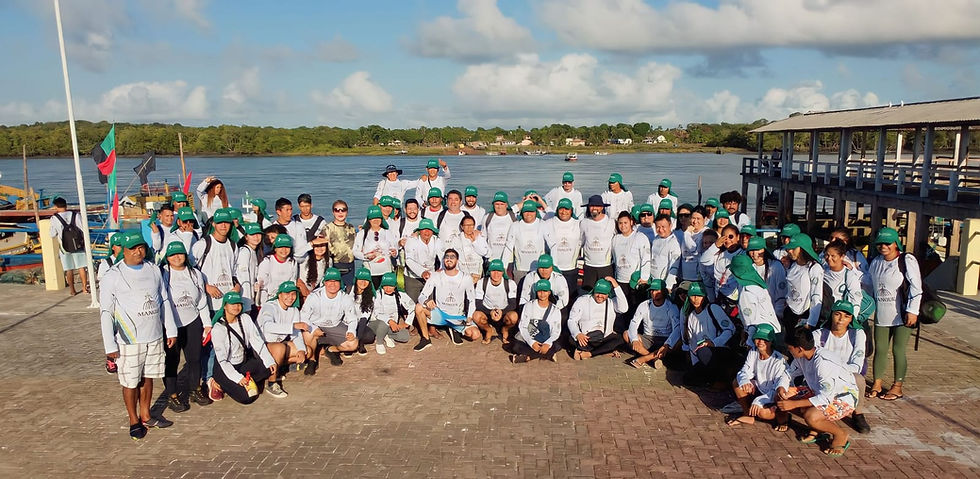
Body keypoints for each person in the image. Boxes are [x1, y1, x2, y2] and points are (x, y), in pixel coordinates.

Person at [98, 231, 177, 439]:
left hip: (154, 335)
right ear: (123, 250)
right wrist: (109, 345)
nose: (137, 252)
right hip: (129, 340)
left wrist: (170, 329)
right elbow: (106, 312)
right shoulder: (112, 276)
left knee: (148, 376)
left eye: (140, 247)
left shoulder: (153, 269)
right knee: (130, 381)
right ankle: (133, 420)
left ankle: (146, 414)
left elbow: (164, 299)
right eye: (132, 248)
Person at [777, 326, 859, 457]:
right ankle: (817, 428)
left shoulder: (823, 363)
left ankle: (840, 435)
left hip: (842, 397)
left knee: (811, 416)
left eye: (790, 348)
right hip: (818, 391)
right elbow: (788, 373)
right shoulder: (801, 356)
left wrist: (794, 404)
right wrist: (782, 387)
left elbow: (825, 398)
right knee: (781, 396)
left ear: (799, 349)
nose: (788, 350)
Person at [866, 227, 921, 402]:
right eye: (880, 243)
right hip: (882, 314)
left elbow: (916, 286)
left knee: (898, 349)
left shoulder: (906, 260)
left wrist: (913, 311)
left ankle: (897, 386)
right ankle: (877, 383)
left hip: (902, 314)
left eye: (887, 243)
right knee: (880, 349)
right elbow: (868, 284)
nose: (883, 246)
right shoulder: (876, 262)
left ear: (896, 243)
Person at [160, 242, 210, 411]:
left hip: (192, 321)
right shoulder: (163, 273)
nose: (177, 257)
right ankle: (172, 395)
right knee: (171, 361)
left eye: (180, 253)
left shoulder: (195, 273)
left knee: (194, 359)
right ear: (167, 258)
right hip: (171, 324)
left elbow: (202, 300)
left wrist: (207, 324)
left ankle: (195, 389)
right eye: (172, 255)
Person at [208, 292, 279, 404]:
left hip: (243, 362)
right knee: (248, 398)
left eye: (238, 304)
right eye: (232, 304)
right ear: (225, 306)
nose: (236, 307)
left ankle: (244, 382)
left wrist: (269, 361)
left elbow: (257, 341)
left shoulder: (245, 318)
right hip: (225, 367)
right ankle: (218, 382)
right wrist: (238, 378)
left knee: (269, 368)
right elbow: (223, 361)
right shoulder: (218, 329)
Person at [816, 300, 871, 433]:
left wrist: (837, 372)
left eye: (846, 316)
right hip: (824, 374)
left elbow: (857, 363)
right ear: (831, 315)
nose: (841, 320)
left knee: (859, 379)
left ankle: (858, 413)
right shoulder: (819, 334)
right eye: (837, 314)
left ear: (851, 319)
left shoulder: (857, 334)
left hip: (847, 373)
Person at [414, 249, 478, 350]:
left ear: (457, 261)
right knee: (418, 307)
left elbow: (472, 300)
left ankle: (453, 329)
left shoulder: (466, 278)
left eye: (452, 257)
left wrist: (469, 317)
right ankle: (425, 339)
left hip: (457, 317)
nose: (449, 259)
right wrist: (426, 301)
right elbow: (422, 296)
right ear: (443, 260)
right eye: (447, 257)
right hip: (440, 314)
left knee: (474, 335)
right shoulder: (435, 276)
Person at [729, 324, 790, 430]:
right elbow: (744, 371)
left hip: (773, 395)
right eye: (758, 338)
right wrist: (745, 381)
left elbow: (777, 388)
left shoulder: (778, 360)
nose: (761, 342)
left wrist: (758, 401)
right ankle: (748, 414)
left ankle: (783, 417)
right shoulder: (753, 351)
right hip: (759, 389)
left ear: (771, 341)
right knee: (737, 382)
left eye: (765, 339)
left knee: (763, 413)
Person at [301, 268, 361, 372]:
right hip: (316, 325)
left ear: (340, 282)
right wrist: (314, 328)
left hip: (334, 326)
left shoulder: (345, 298)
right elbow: (303, 316)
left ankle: (330, 349)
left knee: (353, 344)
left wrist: (351, 331)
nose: (332, 284)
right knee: (307, 332)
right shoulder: (314, 296)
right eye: (329, 281)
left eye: (336, 281)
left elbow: (352, 319)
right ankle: (312, 360)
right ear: (324, 282)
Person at [254, 281, 307, 396]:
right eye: (287, 294)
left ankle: (277, 368)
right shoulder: (269, 306)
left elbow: (296, 333)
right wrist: (292, 326)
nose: (290, 297)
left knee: (307, 351)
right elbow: (267, 326)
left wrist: (301, 350)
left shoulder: (294, 310)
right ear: (279, 295)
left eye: (293, 294)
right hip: (262, 346)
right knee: (280, 348)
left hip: (279, 343)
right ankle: (272, 382)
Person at [680, 282, 736, 388]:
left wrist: (713, 343)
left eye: (699, 296)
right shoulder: (691, 316)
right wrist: (695, 364)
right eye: (693, 295)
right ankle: (710, 378)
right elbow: (692, 342)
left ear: (704, 296)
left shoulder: (713, 308)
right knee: (688, 378)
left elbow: (730, 329)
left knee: (703, 352)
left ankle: (721, 380)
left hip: (720, 350)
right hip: (703, 354)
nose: (695, 299)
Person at [728, 254, 781, 348]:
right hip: (772, 330)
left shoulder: (746, 293)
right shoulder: (756, 283)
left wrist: (750, 343)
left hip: (761, 336)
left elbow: (751, 322)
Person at [626, 279, 681, 369]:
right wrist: (634, 340)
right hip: (648, 338)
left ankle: (645, 358)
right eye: (651, 290)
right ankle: (653, 358)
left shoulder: (671, 307)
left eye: (656, 290)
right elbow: (634, 323)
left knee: (679, 341)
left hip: (665, 339)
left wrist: (667, 344)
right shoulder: (644, 305)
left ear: (663, 292)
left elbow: (677, 328)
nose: (653, 292)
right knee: (626, 334)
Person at [568, 278, 628, 360]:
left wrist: (616, 285)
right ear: (593, 291)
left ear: (608, 294)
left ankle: (590, 353)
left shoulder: (612, 302)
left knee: (620, 339)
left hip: (604, 337)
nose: (600, 296)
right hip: (587, 338)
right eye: (598, 292)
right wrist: (578, 334)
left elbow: (624, 308)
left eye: (603, 294)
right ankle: (603, 351)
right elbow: (572, 320)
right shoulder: (582, 300)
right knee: (571, 339)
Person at [509, 279, 563, 363]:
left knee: (558, 345)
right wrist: (532, 343)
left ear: (549, 292)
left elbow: (556, 331)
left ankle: (529, 356)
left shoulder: (555, 310)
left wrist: (547, 344)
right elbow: (523, 327)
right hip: (530, 337)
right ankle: (548, 354)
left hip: (546, 338)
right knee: (515, 346)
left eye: (545, 291)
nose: (542, 294)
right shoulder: (529, 305)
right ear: (536, 292)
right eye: (539, 291)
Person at [611, 211, 650, 314]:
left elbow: (646, 258)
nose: (623, 226)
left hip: (635, 281)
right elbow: (614, 258)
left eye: (625, 223)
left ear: (631, 222)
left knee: (635, 308)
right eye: (620, 223)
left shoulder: (640, 237)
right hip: (620, 280)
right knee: (622, 309)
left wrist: (644, 277)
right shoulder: (615, 239)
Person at [783, 233, 824, 330]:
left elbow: (816, 296)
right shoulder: (792, 265)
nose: (789, 251)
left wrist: (811, 322)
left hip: (805, 314)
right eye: (789, 248)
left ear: (803, 249)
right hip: (790, 312)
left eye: (793, 248)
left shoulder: (814, 268)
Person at [472, 259, 519, 344]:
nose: (496, 274)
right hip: (487, 312)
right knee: (476, 315)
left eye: (499, 271)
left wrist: (502, 311)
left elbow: (513, 304)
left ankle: (505, 329)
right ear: (489, 272)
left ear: (503, 272)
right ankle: (488, 330)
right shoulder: (482, 282)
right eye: (493, 271)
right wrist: (490, 312)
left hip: (504, 313)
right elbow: (478, 303)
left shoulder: (510, 283)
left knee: (514, 317)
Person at [49, 197, 89, 296]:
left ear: (56, 206)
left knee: (69, 269)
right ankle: (84, 288)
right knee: (81, 267)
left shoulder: (54, 218)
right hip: (78, 245)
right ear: (66, 205)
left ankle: (72, 290)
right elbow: (83, 228)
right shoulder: (76, 215)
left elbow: (52, 234)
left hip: (64, 247)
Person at [367, 272, 416, 353]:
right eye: (385, 286)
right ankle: (379, 342)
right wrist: (389, 321)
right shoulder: (378, 294)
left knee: (405, 337)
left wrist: (407, 322)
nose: (388, 288)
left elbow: (412, 306)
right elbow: (376, 312)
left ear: (395, 286)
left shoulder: (400, 294)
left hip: (393, 324)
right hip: (378, 322)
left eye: (391, 286)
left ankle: (386, 335)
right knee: (383, 325)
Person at [543, 198, 582, 295]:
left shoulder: (578, 224)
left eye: (567, 209)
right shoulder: (548, 223)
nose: (564, 212)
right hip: (553, 269)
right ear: (557, 209)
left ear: (571, 210)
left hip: (571, 269)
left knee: (571, 296)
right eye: (561, 209)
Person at [700, 224, 742, 311]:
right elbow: (704, 260)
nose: (728, 240)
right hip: (719, 296)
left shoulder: (742, 253)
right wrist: (715, 245)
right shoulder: (720, 253)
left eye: (731, 237)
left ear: (738, 237)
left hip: (734, 299)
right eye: (724, 238)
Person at [353, 205, 398, 288]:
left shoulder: (387, 232)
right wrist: (365, 256)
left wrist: (394, 253)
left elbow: (395, 248)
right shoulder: (362, 234)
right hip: (370, 272)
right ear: (369, 220)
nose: (376, 220)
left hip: (386, 271)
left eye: (378, 218)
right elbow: (355, 251)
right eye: (373, 218)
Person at [580, 195, 616, 292]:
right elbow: (581, 241)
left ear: (602, 207)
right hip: (589, 266)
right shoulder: (584, 222)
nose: (594, 208)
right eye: (591, 206)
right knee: (587, 294)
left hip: (606, 266)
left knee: (605, 294)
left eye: (597, 206)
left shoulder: (611, 222)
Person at [505, 200, 546, 285]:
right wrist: (504, 267)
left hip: (538, 270)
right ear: (522, 212)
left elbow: (553, 245)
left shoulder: (543, 224)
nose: (528, 214)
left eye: (531, 211)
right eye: (526, 211)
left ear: (536, 212)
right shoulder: (515, 225)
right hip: (520, 270)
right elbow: (508, 248)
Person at [822, 240, 864, 322]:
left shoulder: (849, 275)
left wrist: (851, 320)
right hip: (825, 315)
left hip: (841, 317)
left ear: (842, 256)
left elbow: (856, 298)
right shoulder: (822, 272)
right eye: (827, 255)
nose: (829, 258)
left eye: (833, 256)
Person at [746, 236, 787, 319]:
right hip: (754, 314)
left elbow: (781, 292)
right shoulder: (748, 267)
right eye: (751, 250)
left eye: (758, 250)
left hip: (773, 314)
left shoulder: (775, 266)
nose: (754, 254)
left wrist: (777, 314)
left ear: (764, 250)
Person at [403, 218, 443, 302]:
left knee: (429, 304)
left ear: (432, 231)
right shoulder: (411, 241)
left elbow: (443, 256)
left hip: (430, 277)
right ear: (419, 231)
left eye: (429, 229)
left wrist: (441, 269)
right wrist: (422, 272)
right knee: (412, 305)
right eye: (424, 229)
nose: (427, 232)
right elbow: (409, 260)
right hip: (412, 278)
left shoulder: (437, 240)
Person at [446, 214, 489, 282]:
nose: (469, 227)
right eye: (466, 225)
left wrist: (474, 242)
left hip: (477, 275)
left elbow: (485, 253)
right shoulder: (456, 239)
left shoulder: (479, 237)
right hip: (461, 276)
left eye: (471, 225)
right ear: (462, 227)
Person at [323, 199, 357, 286]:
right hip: (334, 265)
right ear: (333, 212)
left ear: (347, 212)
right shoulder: (327, 228)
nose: (340, 212)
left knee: (349, 290)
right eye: (337, 210)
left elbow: (357, 246)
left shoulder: (351, 228)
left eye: (343, 210)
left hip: (350, 265)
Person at [347, 267, 380, 356]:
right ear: (356, 280)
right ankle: (348, 345)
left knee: (370, 336)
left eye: (366, 280)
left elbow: (364, 317)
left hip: (361, 323)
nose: (363, 282)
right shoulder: (348, 291)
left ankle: (358, 343)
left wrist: (357, 339)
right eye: (361, 279)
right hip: (347, 322)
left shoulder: (371, 295)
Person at [235, 222, 263, 313]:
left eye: (258, 234)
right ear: (246, 237)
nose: (256, 237)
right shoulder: (244, 252)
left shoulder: (253, 251)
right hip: (246, 299)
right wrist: (247, 304)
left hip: (251, 298)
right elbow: (243, 278)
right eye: (252, 234)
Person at [649, 214, 681, 292]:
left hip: (665, 283)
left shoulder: (674, 242)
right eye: (658, 227)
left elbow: (674, 266)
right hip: (653, 281)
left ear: (670, 225)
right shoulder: (656, 239)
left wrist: (668, 285)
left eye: (663, 227)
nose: (660, 230)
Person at [290, 193, 326, 260]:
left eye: (307, 206)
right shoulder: (293, 220)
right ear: (299, 206)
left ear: (311, 205)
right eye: (302, 207)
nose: (305, 209)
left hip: (314, 258)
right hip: (297, 257)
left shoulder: (320, 221)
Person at [484, 191, 516, 264]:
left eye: (502, 204)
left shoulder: (513, 217)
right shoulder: (487, 217)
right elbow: (483, 237)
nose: (499, 207)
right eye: (497, 204)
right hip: (491, 259)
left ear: (506, 205)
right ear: (493, 205)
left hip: (509, 261)